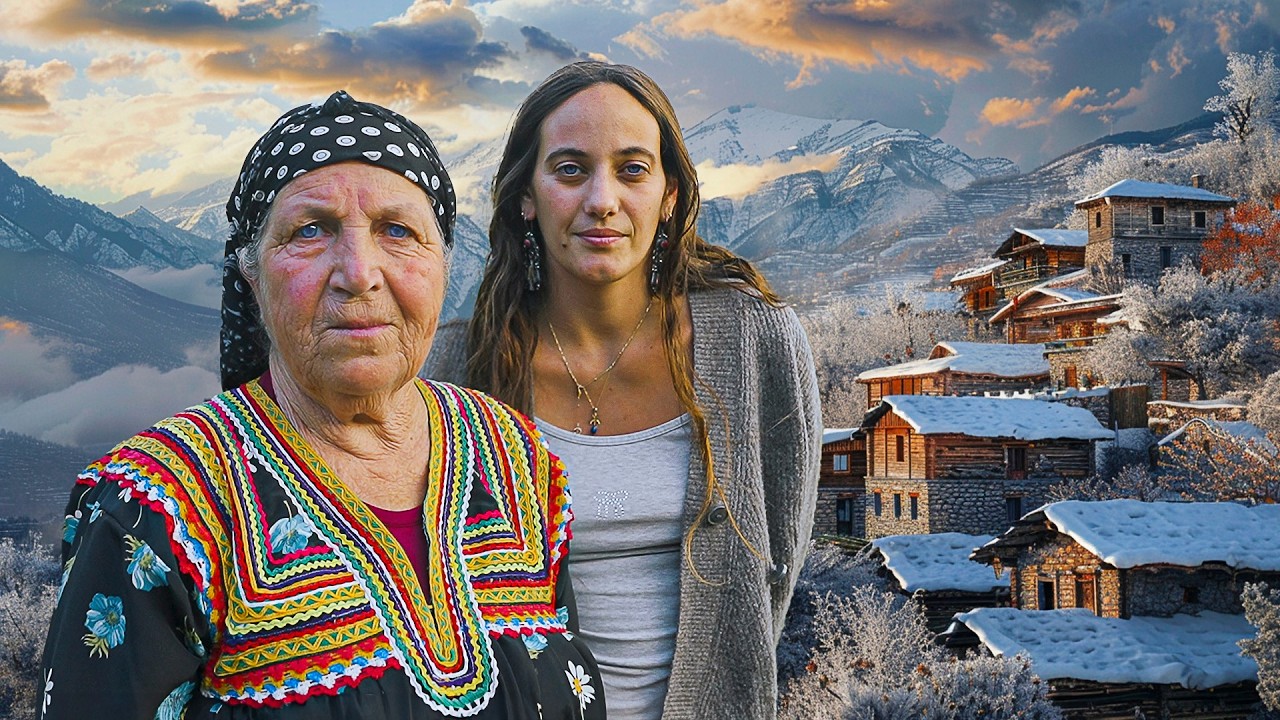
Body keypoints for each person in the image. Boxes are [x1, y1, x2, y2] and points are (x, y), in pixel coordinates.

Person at [38, 91, 604, 720]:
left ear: (444, 264)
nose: (358, 272)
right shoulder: (151, 510)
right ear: (251, 275)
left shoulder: (517, 460)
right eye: (311, 231)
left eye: (398, 231)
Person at [424, 61, 822, 719]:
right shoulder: (457, 369)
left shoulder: (757, 343)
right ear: (527, 194)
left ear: (669, 194)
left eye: (633, 169)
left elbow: (771, 576)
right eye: (571, 170)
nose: (601, 200)